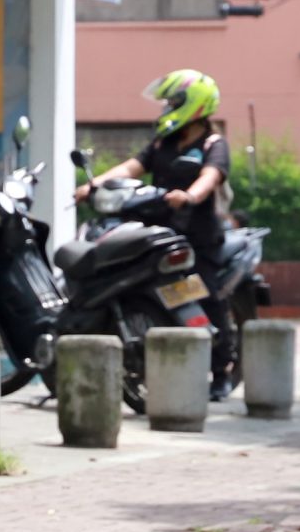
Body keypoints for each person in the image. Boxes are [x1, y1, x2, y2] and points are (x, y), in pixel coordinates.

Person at [75, 70, 235, 395]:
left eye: (173, 102)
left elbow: (210, 177)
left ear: (194, 104)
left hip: (198, 237)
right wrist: (94, 185)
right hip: (159, 230)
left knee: (204, 294)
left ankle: (221, 371)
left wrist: (189, 195)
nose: (167, 108)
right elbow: (131, 168)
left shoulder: (213, 143)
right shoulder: (164, 142)